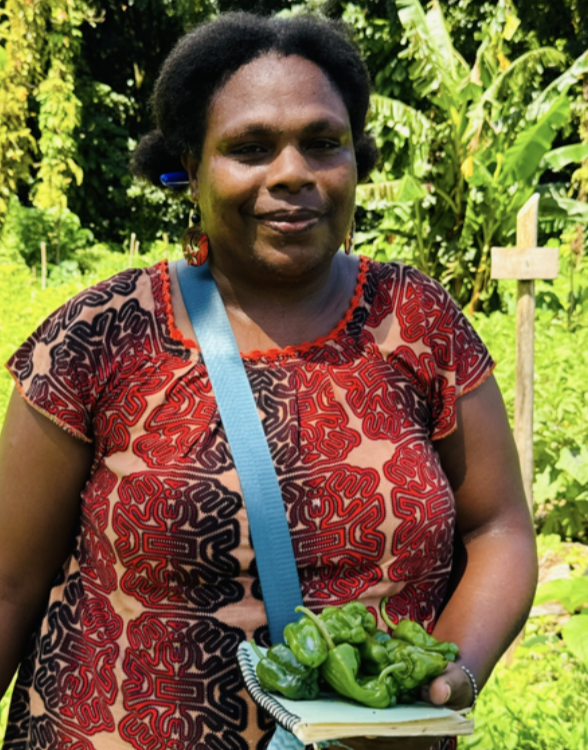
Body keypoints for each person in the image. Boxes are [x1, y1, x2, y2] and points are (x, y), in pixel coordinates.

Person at [0, 11, 537, 750]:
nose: (292, 173)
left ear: (356, 160)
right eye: (250, 148)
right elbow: (8, 582)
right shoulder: (102, 335)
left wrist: (446, 683)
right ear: (189, 168)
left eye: (323, 143)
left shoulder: (417, 321)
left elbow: (500, 528)